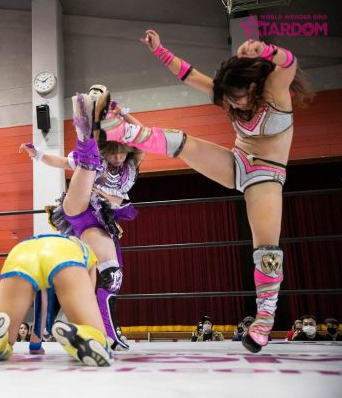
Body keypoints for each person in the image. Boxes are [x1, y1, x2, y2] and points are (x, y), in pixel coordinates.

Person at [97, 30, 313, 353]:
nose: (231, 105)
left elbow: (290, 63)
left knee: (267, 250)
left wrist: (265, 49)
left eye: (236, 99)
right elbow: (189, 74)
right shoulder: (228, 94)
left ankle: (264, 320)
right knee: (182, 142)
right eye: (227, 100)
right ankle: (125, 132)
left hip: (266, 174)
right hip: (236, 162)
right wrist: (160, 50)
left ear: (253, 87)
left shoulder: (275, 92)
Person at [19, 86, 144, 350]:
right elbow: (60, 162)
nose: (118, 157)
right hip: (80, 210)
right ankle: (84, 134)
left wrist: (122, 113)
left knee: (112, 276)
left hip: (102, 222)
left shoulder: (132, 164)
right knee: (88, 164)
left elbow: (142, 134)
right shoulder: (102, 159)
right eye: (113, 152)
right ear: (106, 149)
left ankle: (107, 332)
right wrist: (38, 154)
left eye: (122, 152)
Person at [0, 234, 112, 367]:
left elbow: (42, 304)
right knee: (97, 335)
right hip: (64, 253)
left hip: (20, 253)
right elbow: (88, 297)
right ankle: (85, 336)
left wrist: (35, 345)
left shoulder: (44, 242)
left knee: (7, 337)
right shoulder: (90, 255)